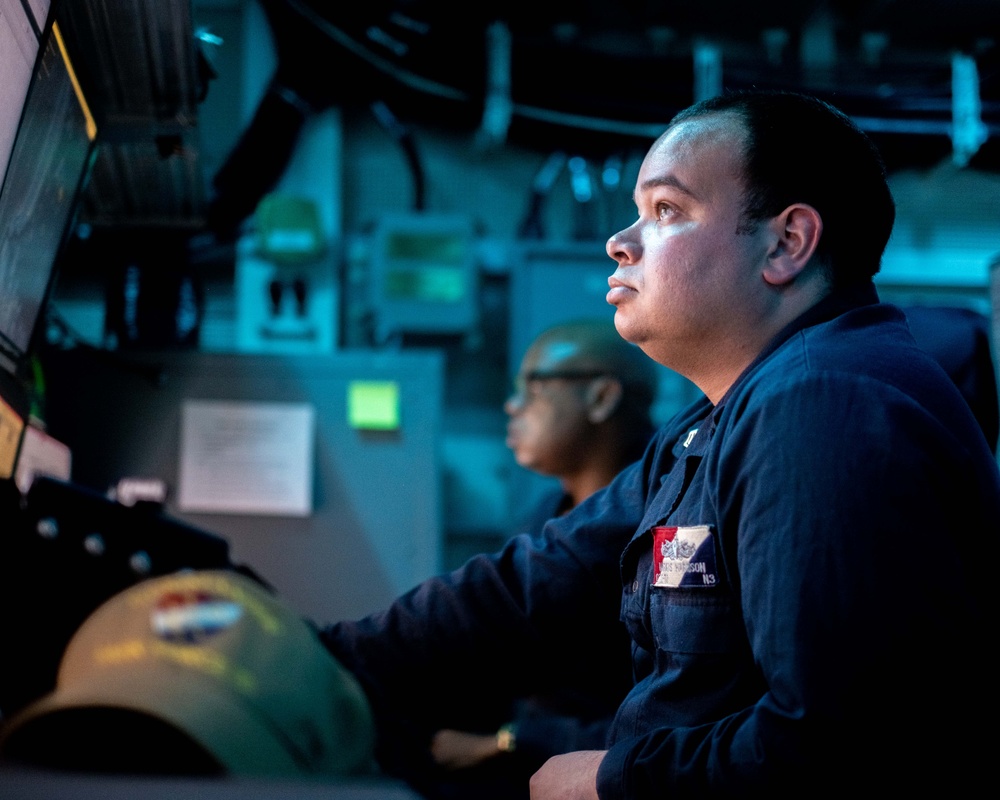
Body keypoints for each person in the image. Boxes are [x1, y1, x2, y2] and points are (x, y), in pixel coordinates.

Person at [319, 89, 1000, 798]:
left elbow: (840, 743)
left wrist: (612, 778)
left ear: (785, 243)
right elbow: (536, 583)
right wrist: (325, 656)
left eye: (666, 211)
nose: (621, 241)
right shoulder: (719, 418)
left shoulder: (825, 405)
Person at [425, 319, 659, 798]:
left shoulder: (666, 523)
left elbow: (677, 720)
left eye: (532, 387)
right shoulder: (547, 514)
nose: (512, 406)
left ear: (601, 397)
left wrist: (507, 743)